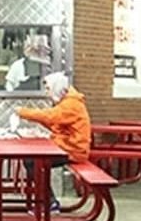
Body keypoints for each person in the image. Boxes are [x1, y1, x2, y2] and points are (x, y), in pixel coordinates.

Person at [16, 72, 90, 211]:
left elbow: (50, 116)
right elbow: (56, 122)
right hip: (67, 147)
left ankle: (48, 202)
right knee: (32, 161)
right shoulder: (69, 101)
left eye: (48, 88)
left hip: (73, 151)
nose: (47, 92)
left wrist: (23, 112)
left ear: (56, 87)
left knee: (33, 162)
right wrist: (35, 120)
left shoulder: (71, 104)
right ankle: (46, 199)